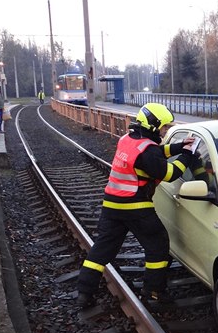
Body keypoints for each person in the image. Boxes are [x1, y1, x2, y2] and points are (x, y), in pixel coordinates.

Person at [76, 103, 199, 308]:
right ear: (153, 126)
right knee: (158, 245)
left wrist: (179, 146)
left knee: (101, 251)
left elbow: (156, 153)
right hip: (135, 206)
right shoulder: (147, 151)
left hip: (111, 206)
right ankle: (153, 294)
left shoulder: (128, 140)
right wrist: (187, 155)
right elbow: (168, 173)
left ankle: (84, 293)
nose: (166, 131)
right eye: (164, 127)